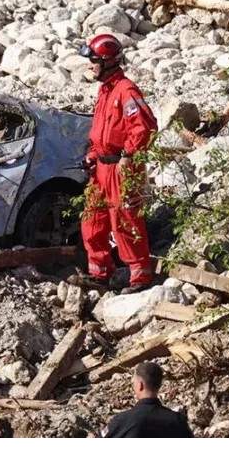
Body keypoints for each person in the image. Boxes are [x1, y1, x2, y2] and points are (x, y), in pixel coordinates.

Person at [71, 33, 158, 293]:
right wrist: (92, 155)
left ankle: (140, 277)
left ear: (108, 62)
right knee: (93, 220)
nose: (90, 65)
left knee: (125, 220)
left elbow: (145, 127)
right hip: (102, 168)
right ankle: (100, 273)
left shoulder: (126, 90)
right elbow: (102, 134)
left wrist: (129, 156)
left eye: (94, 60)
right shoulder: (105, 90)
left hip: (121, 167)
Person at [103, 361, 194, 438]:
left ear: (140, 385)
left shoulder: (122, 421)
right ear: (159, 385)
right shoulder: (178, 421)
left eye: (134, 383)